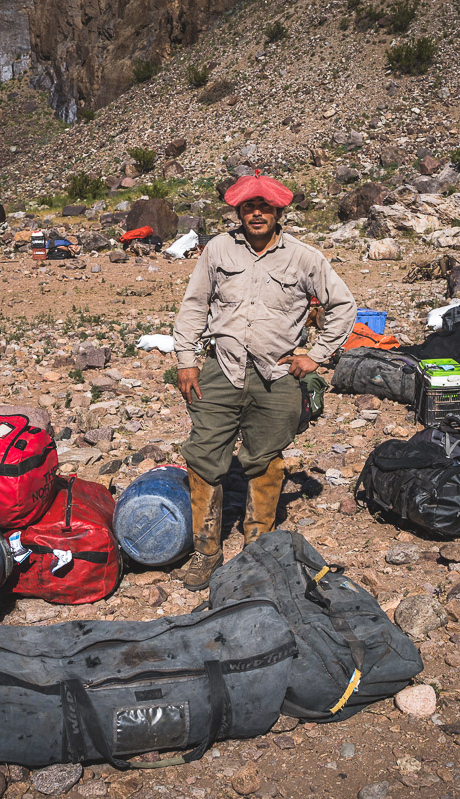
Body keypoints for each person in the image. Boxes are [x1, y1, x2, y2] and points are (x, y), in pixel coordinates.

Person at [172, 172, 357, 590]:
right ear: (239, 212)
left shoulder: (304, 257)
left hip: (279, 373)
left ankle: (256, 551)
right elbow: (194, 304)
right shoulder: (218, 249)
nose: (257, 214)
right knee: (203, 455)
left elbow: (342, 305)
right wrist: (186, 360)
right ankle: (206, 552)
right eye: (249, 208)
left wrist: (317, 355)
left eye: (265, 208)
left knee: (265, 457)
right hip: (223, 366)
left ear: (278, 213)